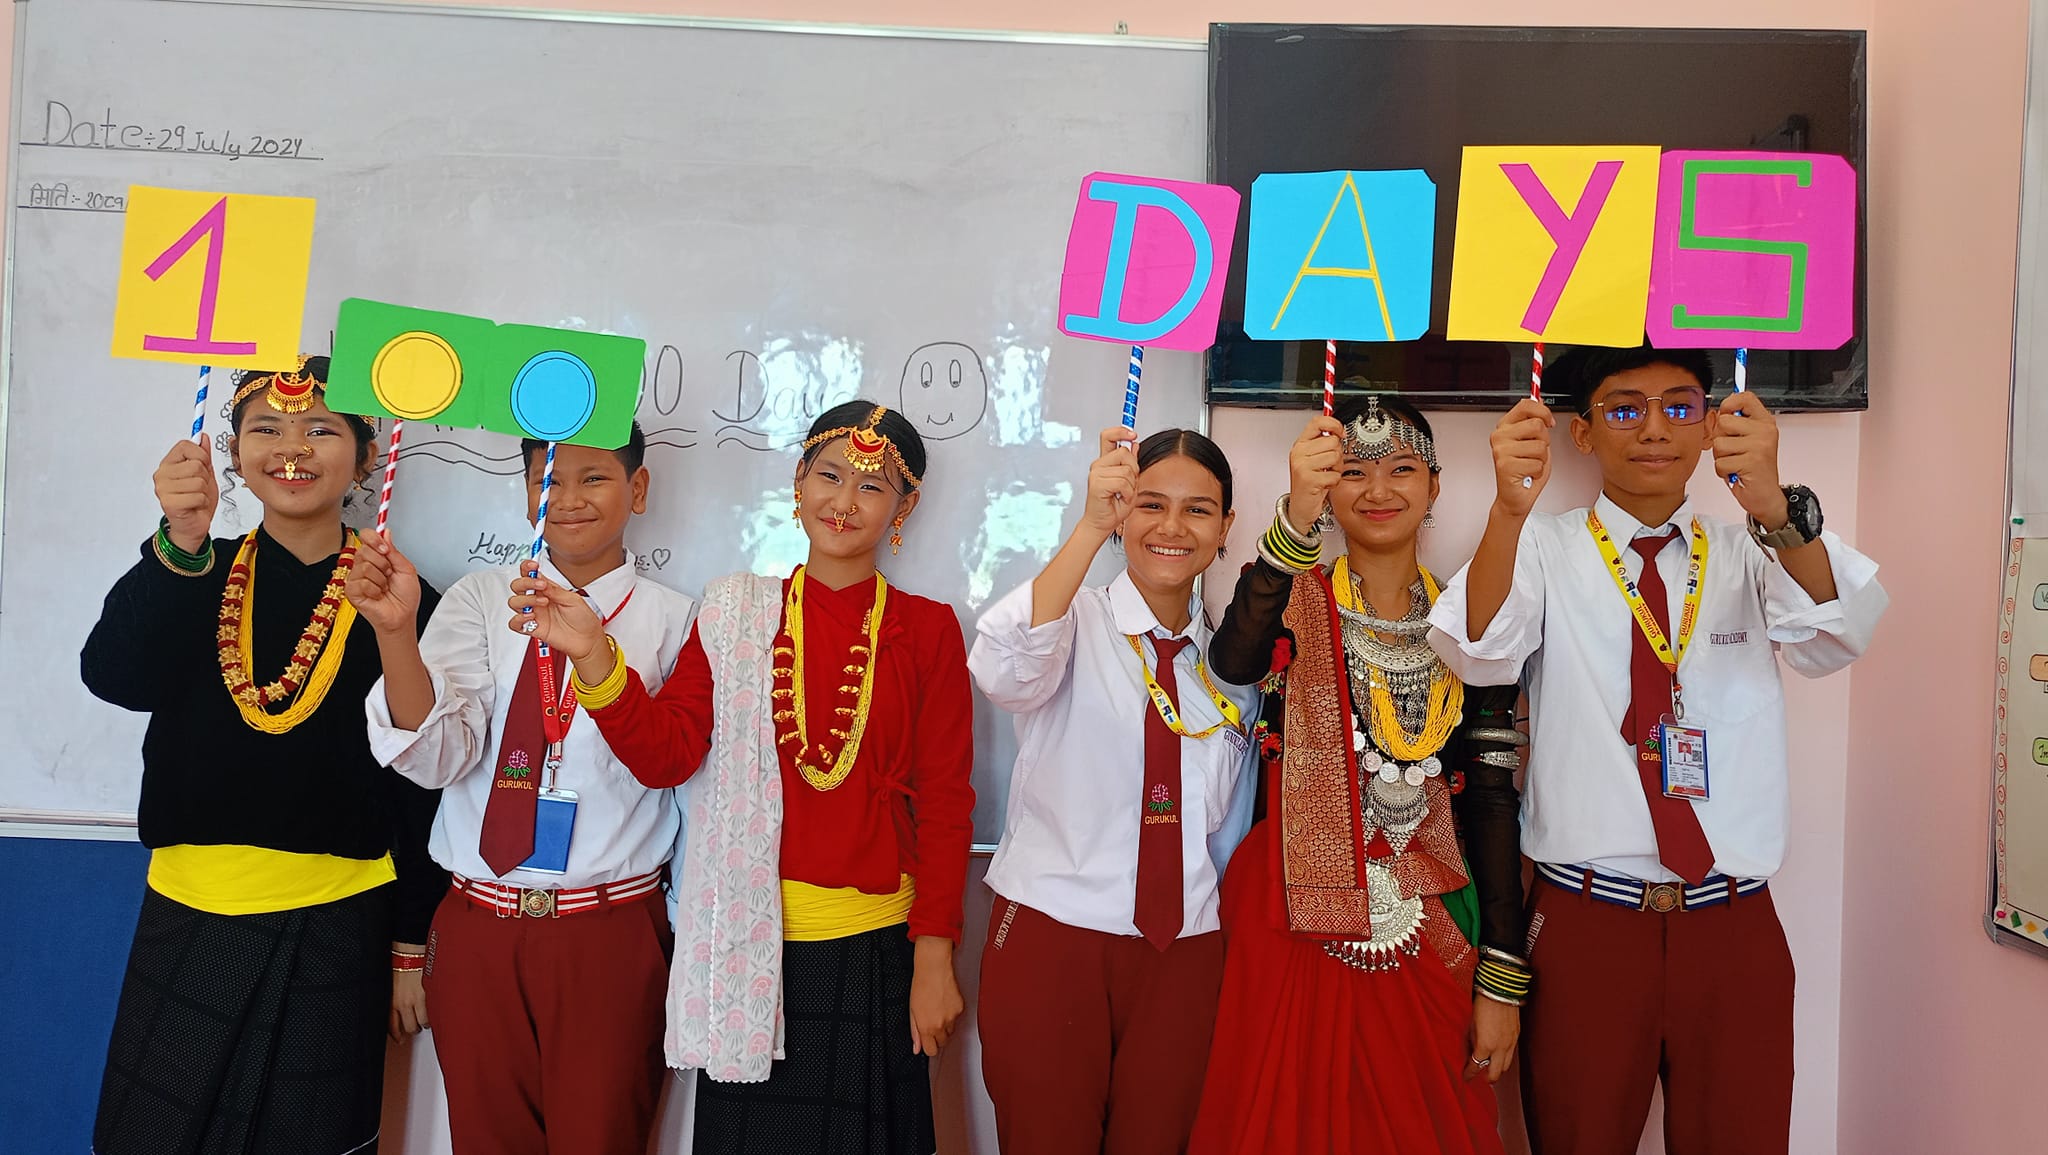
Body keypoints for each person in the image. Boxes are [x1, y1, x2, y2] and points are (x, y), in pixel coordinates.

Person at [1429, 344, 1888, 1154]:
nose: (1653, 429)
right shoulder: (1546, 547)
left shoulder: (1751, 548)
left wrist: (1775, 504)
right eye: (1624, 409)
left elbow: (1838, 632)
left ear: (1710, 426)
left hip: (1733, 924)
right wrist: (1506, 509)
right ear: (1582, 433)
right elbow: (1476, 649)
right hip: (1587, 922)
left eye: (1679, 407)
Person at [514, 400, 974, 1155]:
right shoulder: (735, 612)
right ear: (799, 482)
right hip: (743, 952)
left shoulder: (926, 629)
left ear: (905, 506)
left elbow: (948, 805)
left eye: (871, 486)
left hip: (874, 951)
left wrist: (934, 960)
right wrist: (594, 655)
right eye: (829, 475)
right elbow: (666, 755)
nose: (844, 501)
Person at [84, 356, 446, 1155]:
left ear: (367, 455)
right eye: (267, 428)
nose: (293, 448)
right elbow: (111, 675)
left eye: (321, 429)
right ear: (232, 451)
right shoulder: (194, 567)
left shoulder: (399, 592)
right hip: (190, 908)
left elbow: (423, 785)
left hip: (338, 918)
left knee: (311, 1137)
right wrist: (180, 539)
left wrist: (410, 942)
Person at [1190, 394, 1527, 1155]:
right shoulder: (1291, 598)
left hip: (1432, 920)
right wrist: (1294, 520)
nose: (1377, 489)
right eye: (1352, 471)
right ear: (1326, 488)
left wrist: (1502, 974)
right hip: (1291, 913)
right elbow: (1234, 661)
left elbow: (1492, 800)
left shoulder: (1470, 623)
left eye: (1401, 469)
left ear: (1434, 487)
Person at [356, 422, 695, 1153]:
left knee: (602, 1138)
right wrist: (395, 634)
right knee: (486, 1138)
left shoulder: (677, 620)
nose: (567, 498)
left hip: (610, 931)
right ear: (526, 492)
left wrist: (599, 660)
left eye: (593, 477)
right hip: (478, 926)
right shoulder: (483, 601)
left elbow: (670, 760)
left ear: (638, 488)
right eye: (548, 479)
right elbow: (438, 758)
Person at [970, 427, 1256, 1155]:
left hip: (1185, 950)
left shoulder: (1234, 664)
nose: (1172, 527)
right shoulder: (1071, 617)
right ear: (1123, 509)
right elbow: (1003, 667)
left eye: (1198, 510)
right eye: (1150, 503)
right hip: (1053, 934)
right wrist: (1090, 527)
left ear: (1226, 527)